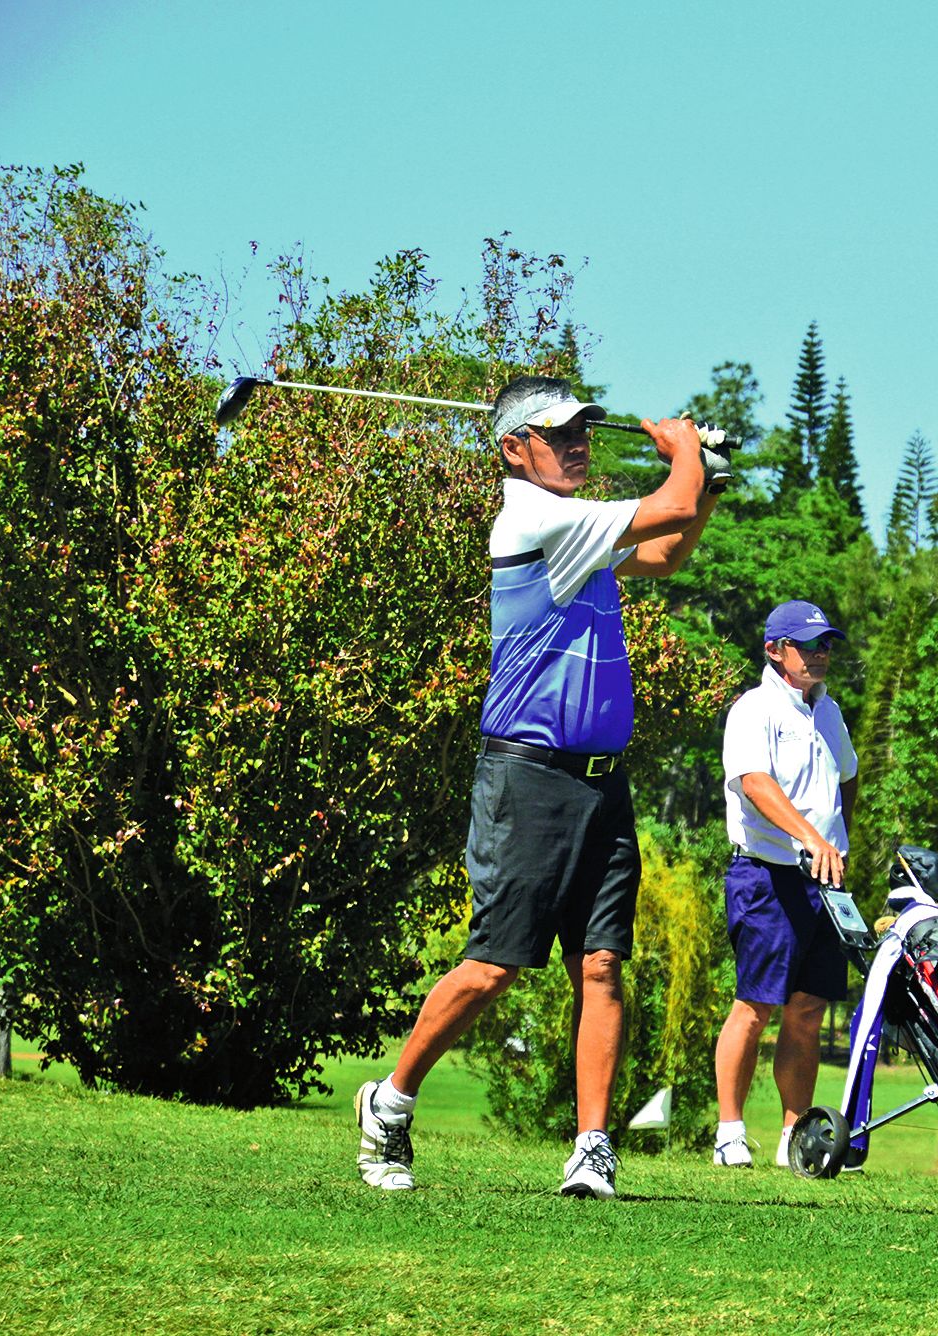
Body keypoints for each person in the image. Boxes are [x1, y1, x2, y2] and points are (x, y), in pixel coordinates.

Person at [354, 375, 717, 1198]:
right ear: (515, 449)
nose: (579, 446)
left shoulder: (577, 526)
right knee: (494, 967)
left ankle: (591, 1148)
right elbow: (667, 503)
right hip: (527, 776)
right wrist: (685, 451)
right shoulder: (534, 516)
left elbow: (666, 550)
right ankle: (391, 1100)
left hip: (600, 783)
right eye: (560, 435)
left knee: (600, 964)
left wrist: (710, 487)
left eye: (584, 432)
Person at [711, 600, 858, 1168]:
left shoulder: (829, 711)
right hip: (767, 875)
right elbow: (755, 783)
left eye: (826, 644)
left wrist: (838, 840)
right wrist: (812, 838)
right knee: (755, 1006)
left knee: (808, 1009)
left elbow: (848, 777)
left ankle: (795, 1140)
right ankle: (729, 1133)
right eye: (809, 644)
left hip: (824, 882)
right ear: (775, 650)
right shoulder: (755, 709)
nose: (821, 654)